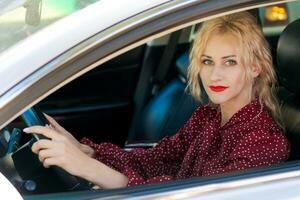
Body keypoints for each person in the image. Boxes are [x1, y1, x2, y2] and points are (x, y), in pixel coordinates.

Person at [23, 11, 290, 189]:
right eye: (207, 61)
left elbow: (198, 196)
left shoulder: (263, 141)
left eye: (230, 62)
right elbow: (156, 160)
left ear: (255, 67)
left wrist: (90, 169)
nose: (215, 74)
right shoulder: (207, 116)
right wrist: (87, 152)